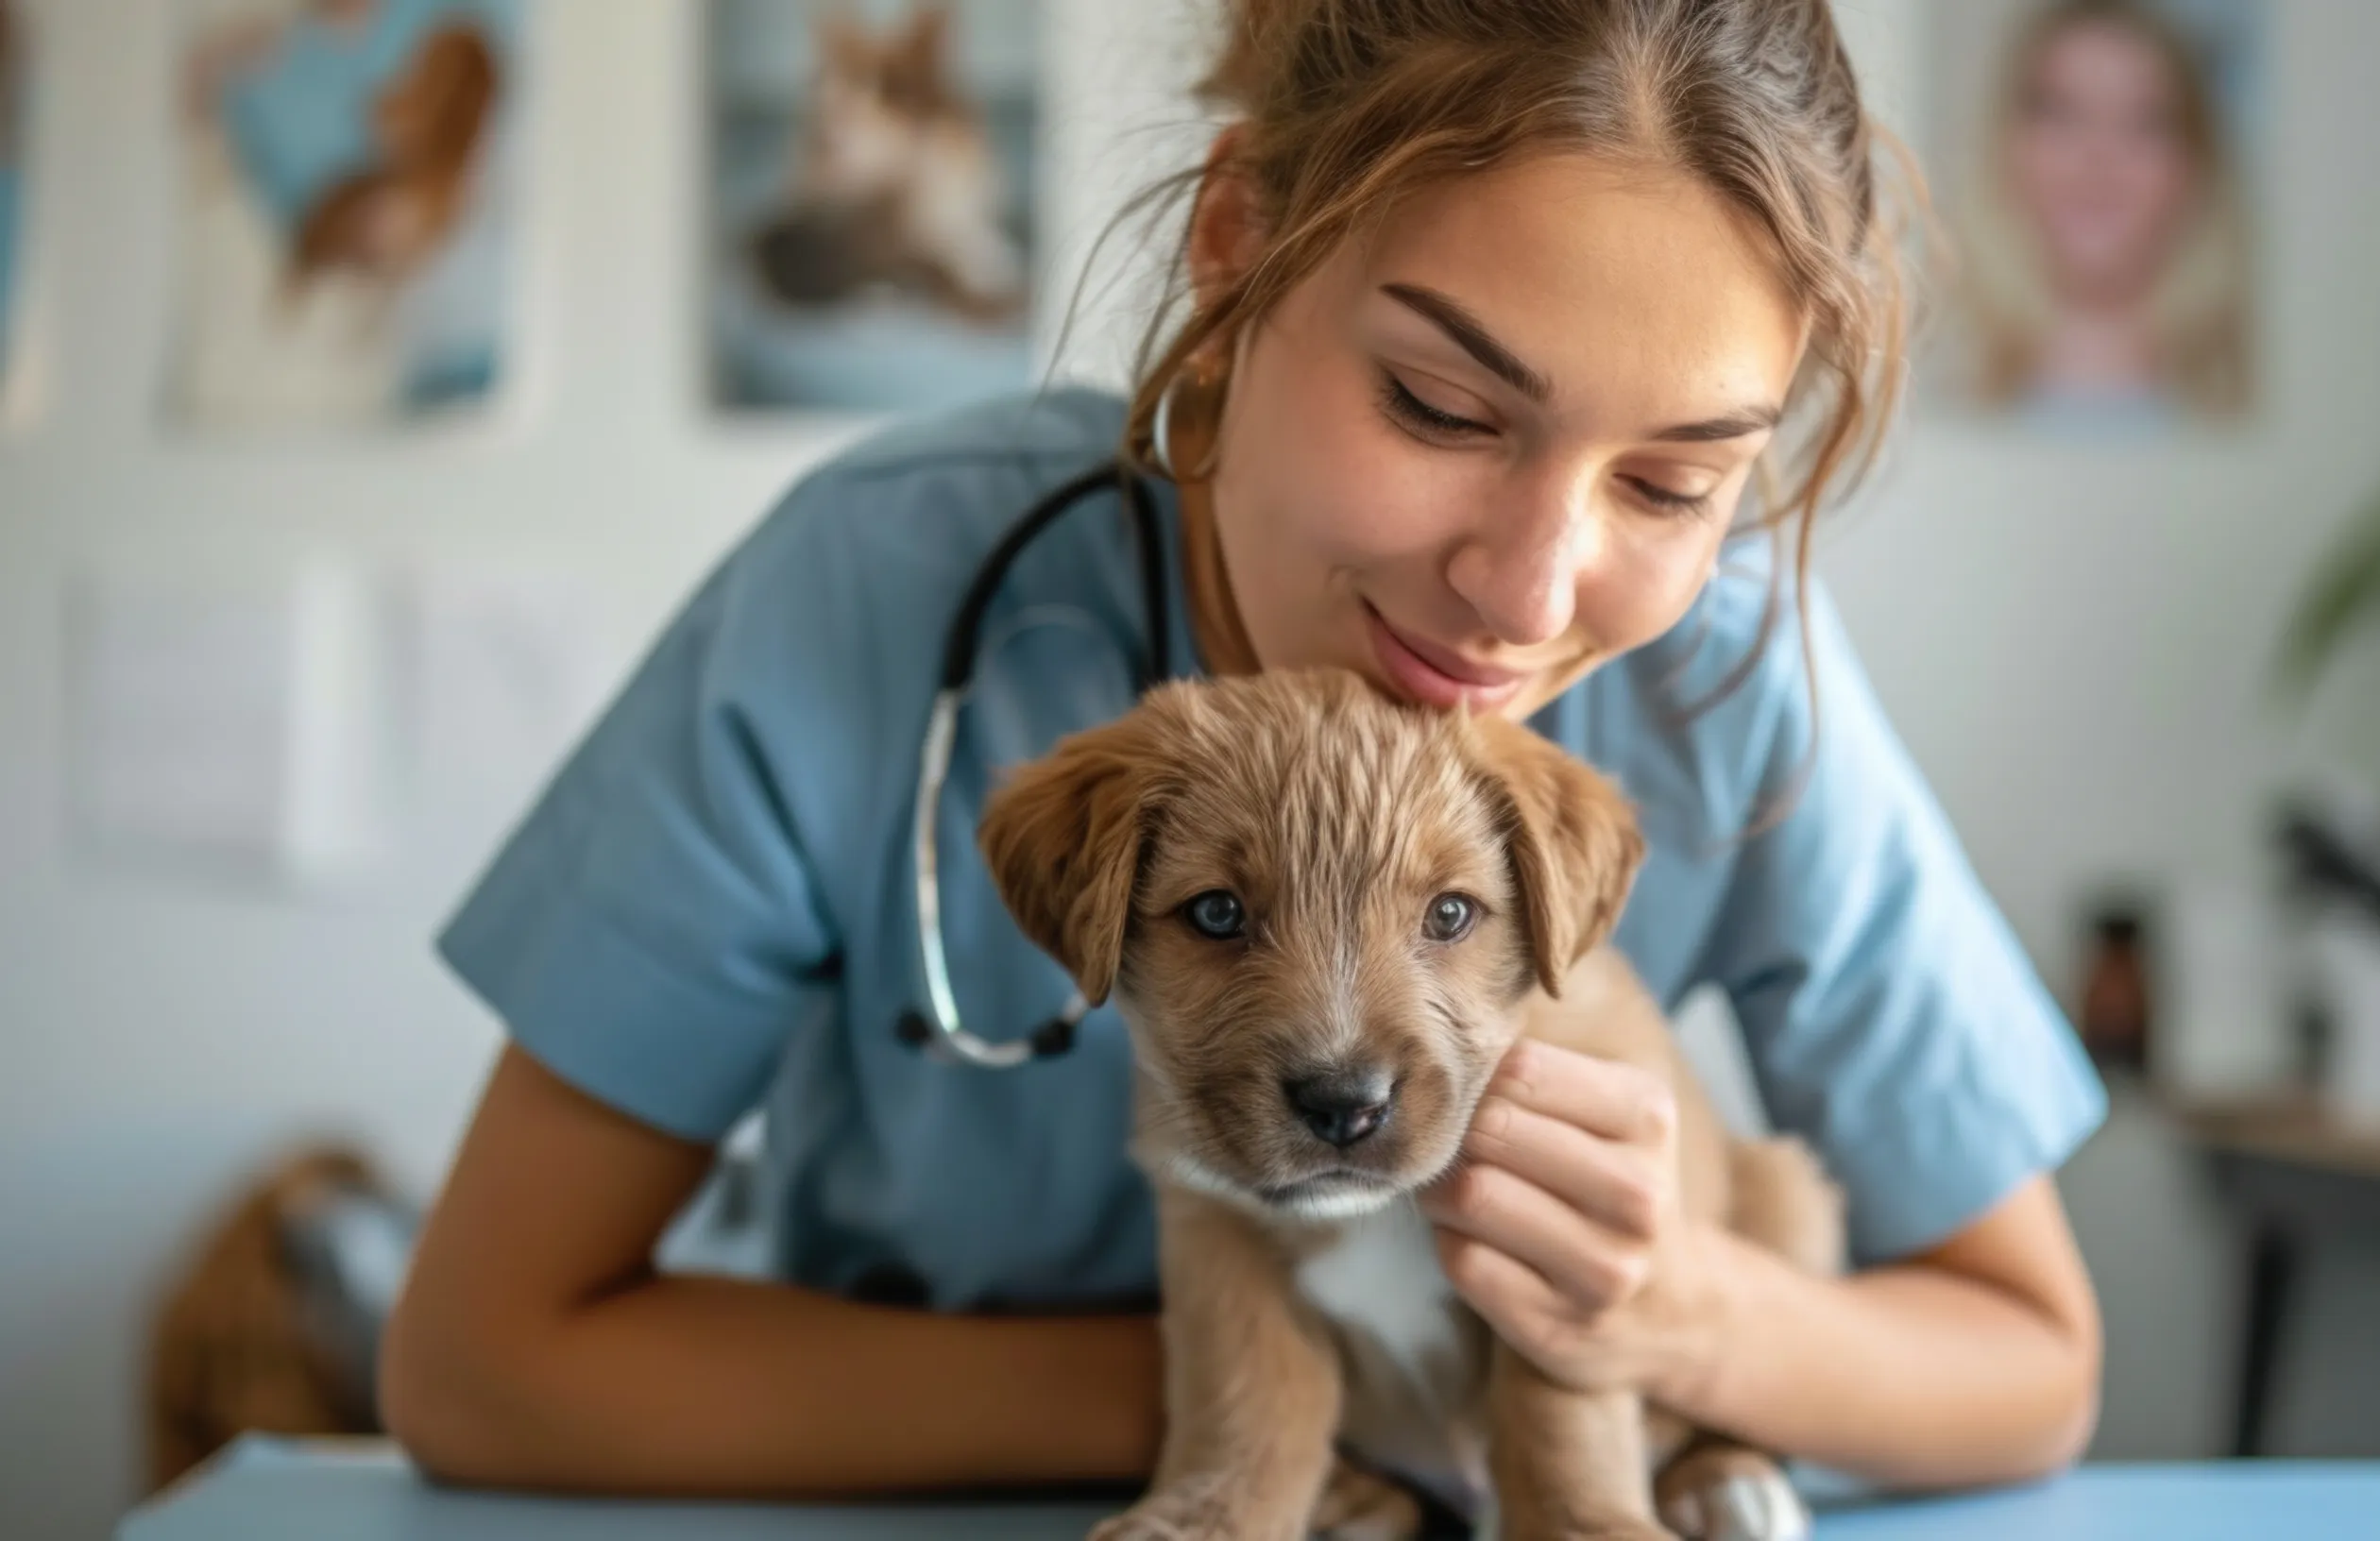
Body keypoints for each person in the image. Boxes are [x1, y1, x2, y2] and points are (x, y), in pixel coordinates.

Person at [379, 0, 2110, 1507]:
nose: (1526, 592)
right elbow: (482, 1362)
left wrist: (1679, 1317)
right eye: (1440, 405)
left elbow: (2030, 1364)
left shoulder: (1720, 682)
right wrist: (1258, 1408)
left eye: (1670, 482)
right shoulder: (874, 591)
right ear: (1233, 243)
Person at [1946, 0, 2251, 429]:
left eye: (2143, 122)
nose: (2098, 157)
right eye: (2063, 114)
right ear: (2008, 147)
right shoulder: (1932, 413)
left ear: (2194, 163)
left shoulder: (2258, 424)